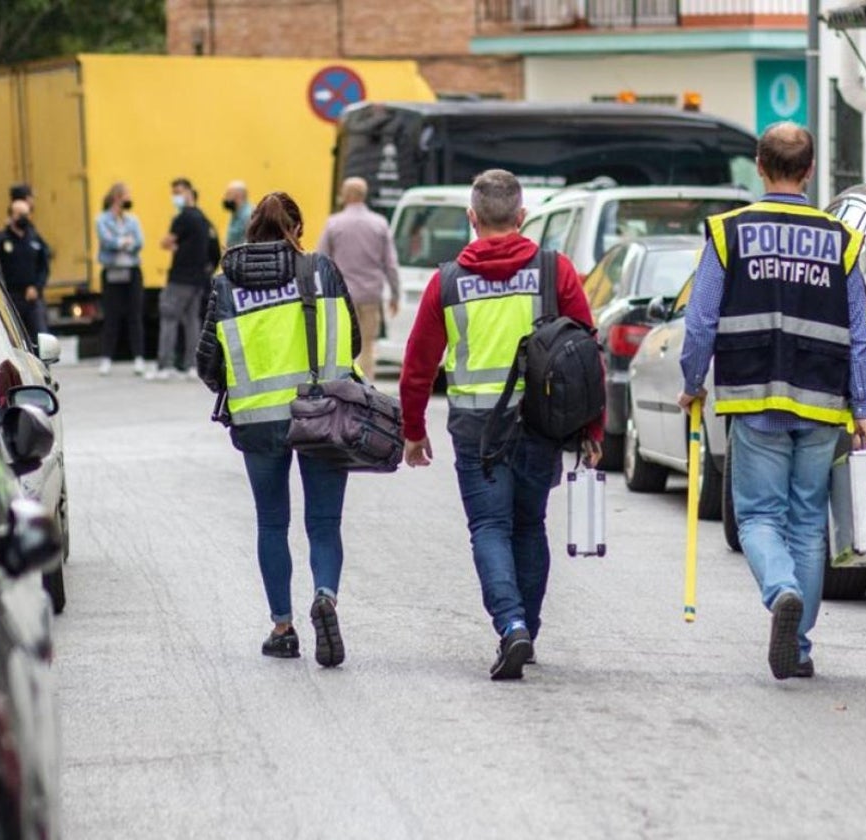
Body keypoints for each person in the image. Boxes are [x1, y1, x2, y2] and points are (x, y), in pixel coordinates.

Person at [676, 123, 866, 681]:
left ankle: (780, 591)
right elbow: (858, 329)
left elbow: (701, 318)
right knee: (807, 524)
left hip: (753, 399)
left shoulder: (728, 233)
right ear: (808, 171)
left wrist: (692, 381)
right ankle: (799, 646)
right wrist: (864, 409)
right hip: (823, 400)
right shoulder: (840, 239)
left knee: (758, 515)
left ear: (759, 165)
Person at [400, 169, 602, 681]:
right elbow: (585, 354)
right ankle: (525, 629)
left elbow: (419, 362)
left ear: (471, 218)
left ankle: (510, 625)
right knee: (529, 525)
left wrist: (413, 429)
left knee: (489, 527)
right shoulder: (555, 271)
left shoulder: (446, 282)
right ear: (521, 217)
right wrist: (592, 430)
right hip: (540, 422)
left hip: (474, 428)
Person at [196, 191, 362, 667]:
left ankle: (283, 626)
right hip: (323, 413)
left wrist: (237, 389)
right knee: (324, 524)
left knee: (272, 522)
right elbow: (351, 338)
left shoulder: (226, 287)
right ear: (298, 227)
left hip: (258, 423)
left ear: (251, 231)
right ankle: (325, 598)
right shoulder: (321, 271)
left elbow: (207, 361)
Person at [317, 176, 399, 381]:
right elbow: (390, 263)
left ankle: (344, 383)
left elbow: (321, 259)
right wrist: (395, 294)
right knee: (368, 345)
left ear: (346, 195)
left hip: (341, 296)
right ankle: (367, 386)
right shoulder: (379, 223)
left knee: (342, 342)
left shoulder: (333, 224)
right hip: (371, 295)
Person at [153, 177, 213, 380]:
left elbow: (165, 242)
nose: (175, 197)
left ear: (189, 192)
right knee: (192, 322)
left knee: (169, 318)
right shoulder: (203, 218)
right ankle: (192, 366)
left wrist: (174, 246)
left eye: (178, 192)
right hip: (197, 279)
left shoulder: (183, 218)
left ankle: (164, 366)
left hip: (180, 278)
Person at [95, 182, 146, 376]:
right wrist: (124, 241)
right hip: (112, 271)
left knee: (135, 315)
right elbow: (106, 240)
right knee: (112, 316)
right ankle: (106, 358)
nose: (128, 200)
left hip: (131, 270)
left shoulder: (132, 220)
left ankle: (139, 358)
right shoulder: (102, 219)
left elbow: (139, 241)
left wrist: (120, 242)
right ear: (116, 197)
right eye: (126, 196)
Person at [0, 199, 49, 340]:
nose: (23, 218)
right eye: (19, 214)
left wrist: (37, 287)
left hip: (32, 298)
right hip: (10, 298)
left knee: (40, 337)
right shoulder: (0, 241)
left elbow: (44, 267)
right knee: (14, 338)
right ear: (11, 216)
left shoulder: (35, 239)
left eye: (26, 214)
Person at [222, 180, 252, 250]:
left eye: (228, 194)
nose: (226, 198)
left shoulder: (249, 214)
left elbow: (250, 241)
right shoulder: (235, 213)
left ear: (239, 195)